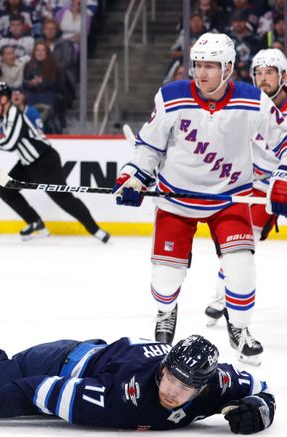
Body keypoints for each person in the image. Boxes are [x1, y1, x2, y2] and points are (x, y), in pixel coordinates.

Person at [0, 256, 276, 435]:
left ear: (205, 385)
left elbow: (260, 385)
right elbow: (40, 391)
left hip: (83, 356)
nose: (174, 392)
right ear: (163, 369)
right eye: (170, 379)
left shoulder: (216, 381)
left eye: (185, 388)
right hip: (61, 365)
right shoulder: (126, 397)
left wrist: (260, 408)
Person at [113, 34, 287, 365]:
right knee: (165, 277)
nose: (202, 73)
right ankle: (166, 312)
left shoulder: (253, 102)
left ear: (229, 68)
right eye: (198, 65)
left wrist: (283, 177)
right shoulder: (171, 96)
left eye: (211, 66)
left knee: (240, 267)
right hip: (176, 199)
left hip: (230, 197)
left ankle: (239, 328)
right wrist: (133, 176)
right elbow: (149, 147)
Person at [204, 48, 286, 333]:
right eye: (258, 73)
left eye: (270, 73)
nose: (263, 79)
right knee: (240, 243)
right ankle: (222, 297)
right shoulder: (246, 105)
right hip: (259, 186)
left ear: (283, 77)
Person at [0, 81, 110, 242]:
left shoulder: (13, 113)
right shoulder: (6, 116)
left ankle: (96, 230)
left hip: (45, 161)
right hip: (27, 163)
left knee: (64, 199)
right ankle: (36, 223)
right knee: (6, 191)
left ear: (2, 99)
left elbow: (10, 144)